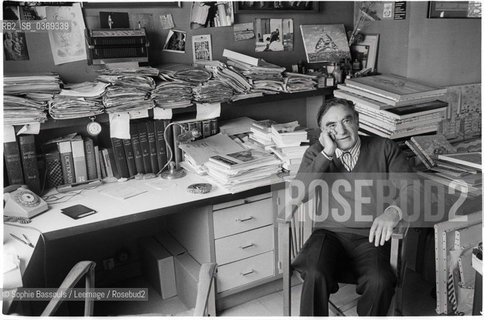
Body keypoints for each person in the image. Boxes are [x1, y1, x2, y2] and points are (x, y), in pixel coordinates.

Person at [291, 98, 415, 316]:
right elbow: (299, 195)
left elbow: (413, 188)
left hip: (372, 237)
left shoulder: (384, 148)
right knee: (314, 271)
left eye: (347, 120)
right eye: (331, 126)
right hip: (328, 235)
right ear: (323, 132)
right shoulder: (316, 153)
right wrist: (327, 154)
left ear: (357, 121)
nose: (341, 130)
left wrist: (394, 211)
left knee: (380, 282)